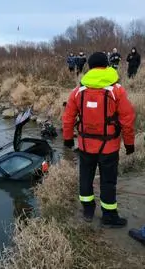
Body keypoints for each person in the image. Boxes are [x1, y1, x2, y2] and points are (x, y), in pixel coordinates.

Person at [62, 52, 136, 228]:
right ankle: (109, 217)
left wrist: (67, 140)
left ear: (89, 67)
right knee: (108, 181)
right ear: (107, 65)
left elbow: (68, 118)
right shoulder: (117, 90)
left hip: (85, 146)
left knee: (85, 178)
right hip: (109, 147)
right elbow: (127, 119)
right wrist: (129, 143)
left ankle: (88, 211)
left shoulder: (77, 91)